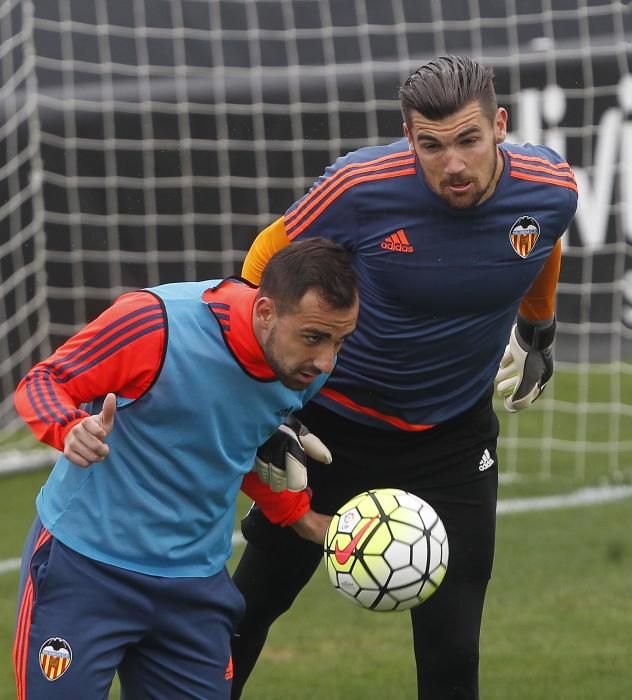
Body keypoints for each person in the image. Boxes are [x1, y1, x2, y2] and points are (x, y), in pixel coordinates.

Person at [230, 55, 578, 699]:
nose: (453, 164)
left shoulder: (550, 186)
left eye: (469, 140)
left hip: (453, 438)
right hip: (333, 430)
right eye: (432, 145)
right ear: (408, 136)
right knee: (244, 614)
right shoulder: (359, 188)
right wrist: (262, 397)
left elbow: (545, 239)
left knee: (453, 652)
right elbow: (263, 261)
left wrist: (538, 328)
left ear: (499, 125)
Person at [12, 238, 359, 700]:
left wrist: (301, 517)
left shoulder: (307, 367)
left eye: (340, 341)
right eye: (314, 338)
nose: (325, 361)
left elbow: (241, 445)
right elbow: (43, 380)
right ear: (265, 312)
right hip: (85, 569)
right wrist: (69, 426)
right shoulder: (154, 323)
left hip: (195, 588)